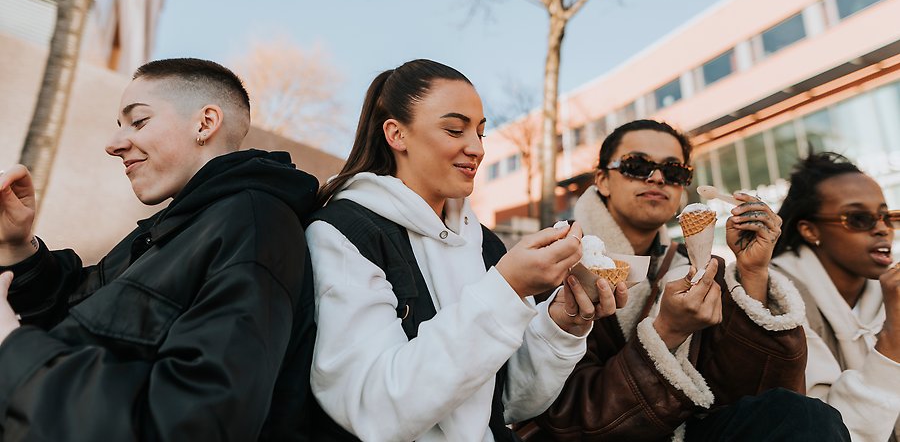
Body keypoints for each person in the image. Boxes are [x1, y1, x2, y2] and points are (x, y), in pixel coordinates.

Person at [306, 59, 627, 441]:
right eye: (454, 129)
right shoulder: (344, 234)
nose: (476, 148)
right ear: (396, 134)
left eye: (480, 132)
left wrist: (561, 323)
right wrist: (506, 288)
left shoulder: (484, 242)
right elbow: (375, 407)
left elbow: (504, 402)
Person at [0, 58, 319, 441]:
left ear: (205, 123)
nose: (114, 144)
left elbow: (191, 423)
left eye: (138, 121)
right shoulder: (178, 225)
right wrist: (19, 246)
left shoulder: (254, 226)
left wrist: (11, 347)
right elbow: (79, 314)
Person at [531, 119, 850, 441]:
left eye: (674, 171)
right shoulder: (555, 257)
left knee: (805, 416)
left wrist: (753, 273)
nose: (656, 177)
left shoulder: (700, 268)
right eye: (637, 165)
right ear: (602, 179)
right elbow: (561, 418)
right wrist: (667, 332)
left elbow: (754, 393)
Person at [771, 151, 900, 442]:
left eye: (887, 217)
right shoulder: (777, 299)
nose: (882, 229)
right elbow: (828, 430)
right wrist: (894, 338)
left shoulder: (889, 291)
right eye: (859, 218)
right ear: (810, 230)